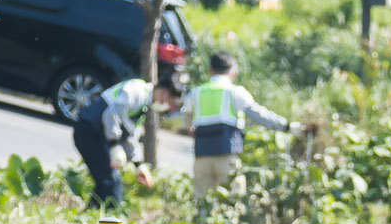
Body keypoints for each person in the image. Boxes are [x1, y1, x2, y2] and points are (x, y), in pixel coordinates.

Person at [182, 50, 291, 207]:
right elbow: (257, 114)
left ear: (210, 71)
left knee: (202, 204)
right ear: (233, 72)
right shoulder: (234, 92)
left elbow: (186, 117)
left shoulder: (196, 92)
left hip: (201, 157)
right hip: (227, 158)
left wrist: (190, 129)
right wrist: (285, 126)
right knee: (232, 203)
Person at [74, 74, 177, 208]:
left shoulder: (143, 104)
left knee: (108, 181)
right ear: (164, 92)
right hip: (88, 131)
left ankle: (93, 215)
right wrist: (114, 145)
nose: (165, 105)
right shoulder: (136, 91)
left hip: (96, 134)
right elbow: (111, 115)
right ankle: (108, 221)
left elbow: (129, 134)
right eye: (168, 101)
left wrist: (138, 164)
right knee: (111, 181)